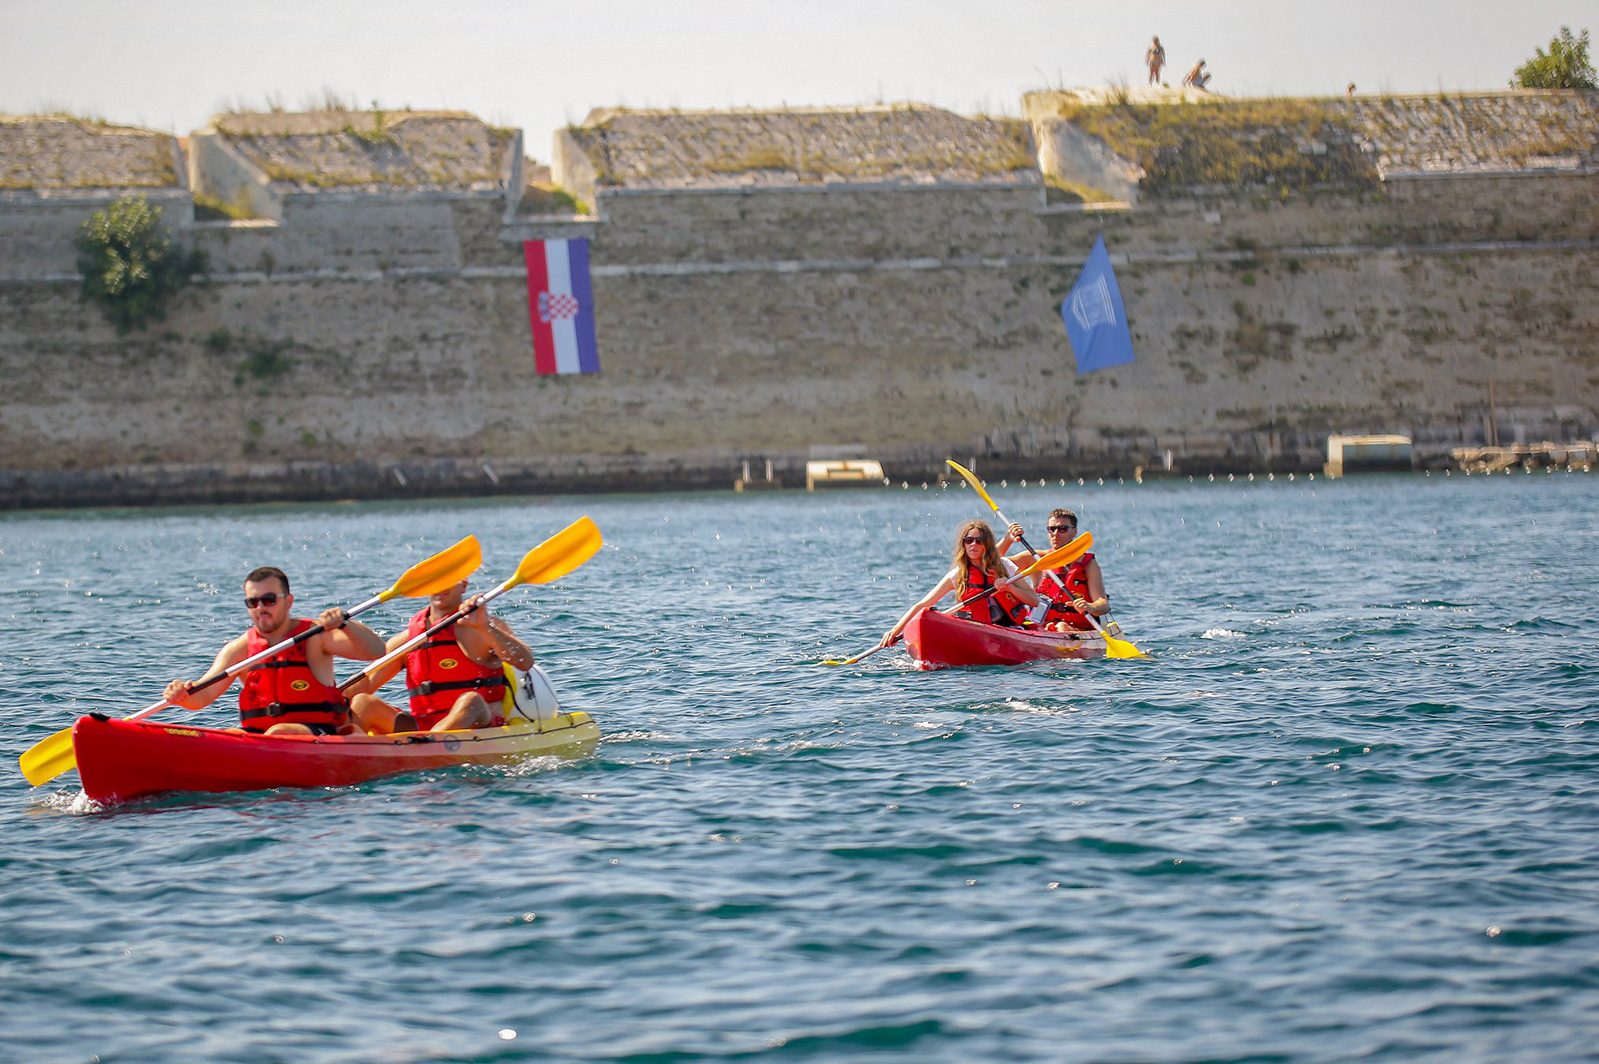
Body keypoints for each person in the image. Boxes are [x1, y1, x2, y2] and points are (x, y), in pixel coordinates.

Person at [163, 566, 387, 735]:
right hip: (262, 738)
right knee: (227, 735)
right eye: (253, 602)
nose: (260, 608)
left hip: (317, 733)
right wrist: (181, 695)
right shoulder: (238, 650)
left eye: (268, 600)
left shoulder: (315, 636)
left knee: (280, 732)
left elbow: (376, 651)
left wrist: (344, 624)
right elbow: (203, 697)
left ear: (288, 602)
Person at [346, 579, 534, 733]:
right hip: (423, 728)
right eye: (434, 581)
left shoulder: (481, 627)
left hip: (480, 726)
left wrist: (484, 627)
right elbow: (367, 684)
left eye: (448, 580)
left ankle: (427, 747)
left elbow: (525, 662)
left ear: (463, 585)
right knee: (362, 703)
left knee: (471, 700)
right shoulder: (408, 641)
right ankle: (349, 751)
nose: (440, 587)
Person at [879, 519, 1041, 648]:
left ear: (987, 544)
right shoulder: (959, 574)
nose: (973, 544)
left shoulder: (1005, 566)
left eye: (979, 541)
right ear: (963, 544)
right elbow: (923, 604)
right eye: (969, 540)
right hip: (975, 632)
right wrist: (894, 631)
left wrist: (1010, 588)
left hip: (1010, 630)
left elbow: (1034, 600)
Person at [996, 509, 1114, 634]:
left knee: (1062, 627)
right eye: (1051, 529)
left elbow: (1103, 605)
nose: (1056, 533)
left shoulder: (1088, 564)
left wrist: (1089, 606)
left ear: (1074, 531)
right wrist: (1008, 539)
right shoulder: (1035, 558)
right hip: (1040, 627)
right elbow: (992, 562)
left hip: (1078, 630)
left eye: (1062, 529)